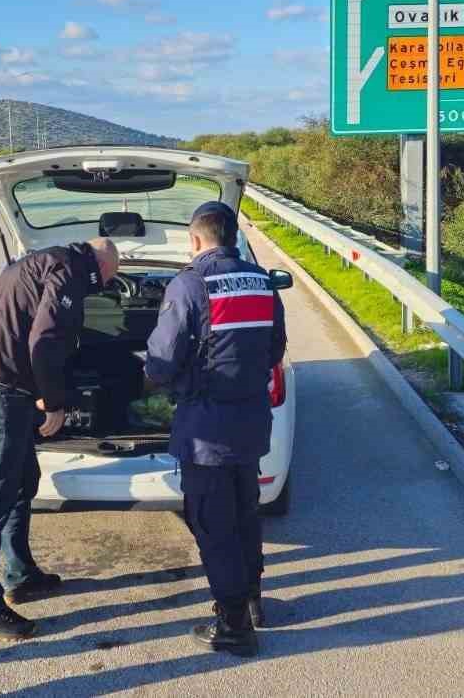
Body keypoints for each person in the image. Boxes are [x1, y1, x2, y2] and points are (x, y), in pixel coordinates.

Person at [0, 237, 122, 641]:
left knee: (20, 482)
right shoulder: (69, 271)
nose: (100, 288)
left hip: (0, 383)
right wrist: (54, 402)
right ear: (100, 266)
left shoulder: (47, 261)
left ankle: (20, 572)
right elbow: (44, 341)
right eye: (105, 281)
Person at [145, 201, 287, 658]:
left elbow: (162, 362)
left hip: (206, 428)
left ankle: (233, 626)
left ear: (195, 240)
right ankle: (252, 601)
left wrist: (157, 378)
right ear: (232, 236)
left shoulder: (189, 283)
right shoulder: (263, 282)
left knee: (213, 524)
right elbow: (274, 349)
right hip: (250, 423)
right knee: (246, 515)